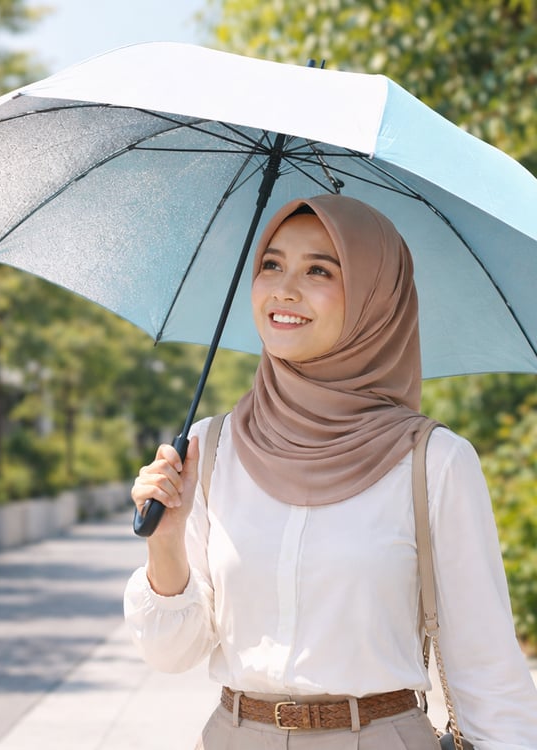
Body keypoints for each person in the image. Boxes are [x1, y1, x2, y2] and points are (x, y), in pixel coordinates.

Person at [124, 195, 537, 749]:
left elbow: (486, 670)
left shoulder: (432, 461)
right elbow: (169, 653)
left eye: (319, 269)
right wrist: (165, 545)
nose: (284, 288)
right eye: (271, 264)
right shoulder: (209, 447)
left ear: (375, 297)